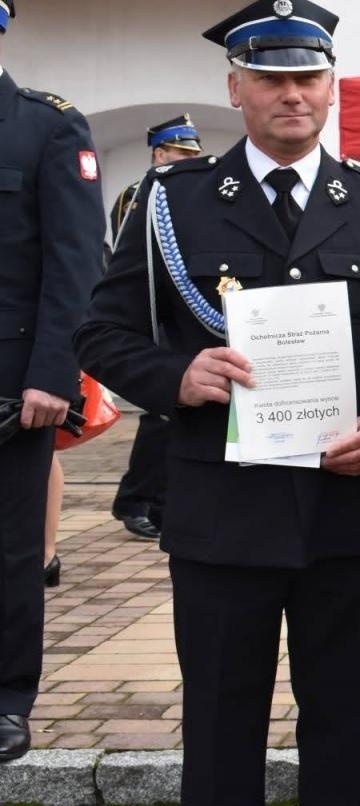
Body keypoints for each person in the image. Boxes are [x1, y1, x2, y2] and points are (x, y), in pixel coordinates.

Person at [77, 0, 360, 806]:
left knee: (343, 726)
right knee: (223, 729)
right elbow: (101, 332)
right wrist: (177, 374)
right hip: (220, 512)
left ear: (331, 85)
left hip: (342, 509)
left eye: (308, 76)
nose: (291, 94)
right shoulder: (171, 203)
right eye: (269, 77)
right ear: (237, 85)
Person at [0, 0, 105, 763]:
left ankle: (7, 697)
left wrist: (52, 377)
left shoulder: (46, 129)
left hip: (11, 386)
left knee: (9, 549)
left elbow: (74, 266)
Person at [106, 114, 208, 542]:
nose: (190, 160)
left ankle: (160, 502)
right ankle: (135, 499)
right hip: (154, 318)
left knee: (169, 418)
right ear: (159, 154)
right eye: (182, 153)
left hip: (181, 317)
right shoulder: (141, 194)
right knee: (159, 416)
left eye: (193, 154)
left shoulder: (187, 193)